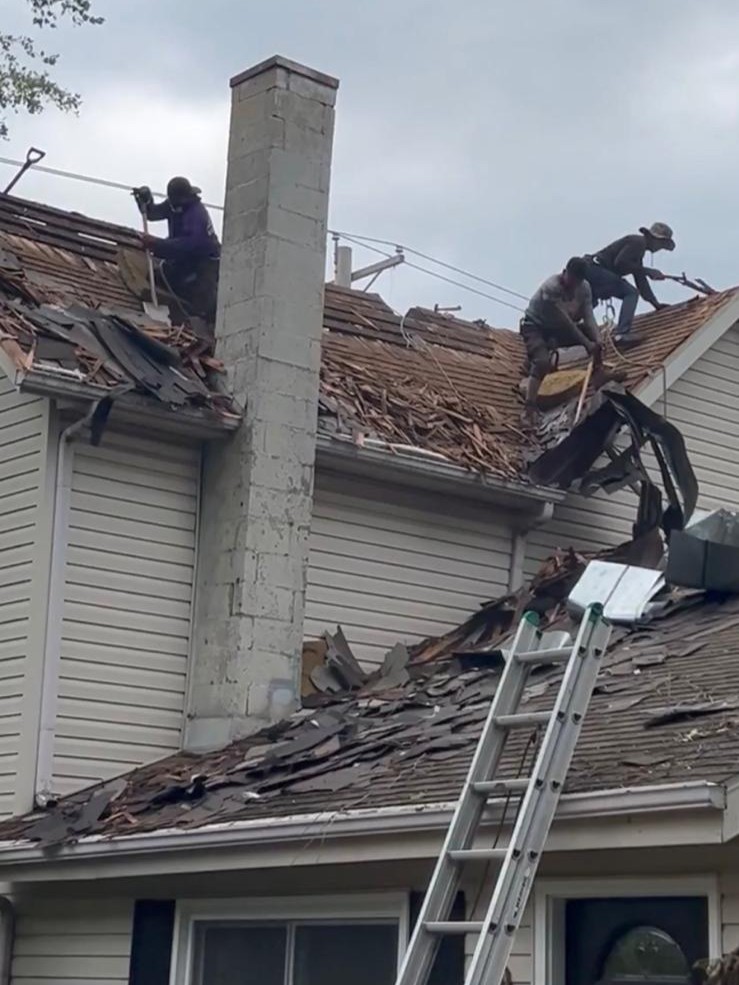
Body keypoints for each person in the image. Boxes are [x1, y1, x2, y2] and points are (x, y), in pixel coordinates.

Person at [520, 256, 602, 419]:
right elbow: (566, 323)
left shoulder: (584, 288)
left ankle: (600, 374)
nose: (573, 286)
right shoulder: (552, 287)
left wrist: (597, 340)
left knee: (594, 339)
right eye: (571, 281)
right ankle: (529, 406)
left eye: (577, 282)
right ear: (564, 273)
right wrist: (586, 344)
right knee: (542, 362)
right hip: (536, 326)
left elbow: (588, 317)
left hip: (557, 329)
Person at [132, 177, 221, 323]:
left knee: (205, 307)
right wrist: (145, 201)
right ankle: (177, 311)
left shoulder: (196, 214)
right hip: (182, 261)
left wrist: (157, 244)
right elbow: (153, 213)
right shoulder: (172, 205)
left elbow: (188, 246)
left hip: (204, 263)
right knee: (157, 278)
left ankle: (204, 324)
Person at [583, 222, 675, 343]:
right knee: (631, 293)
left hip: (591, 272)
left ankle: (579, 336)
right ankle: (622, 334)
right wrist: (648, 271)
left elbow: (641, 280)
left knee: (587, 305)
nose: (659, 248)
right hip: (596, 269)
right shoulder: (638, 242)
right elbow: (620, 262)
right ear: (655, 239)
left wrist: (655, 304)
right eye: (661, 245)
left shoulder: (638, 252)